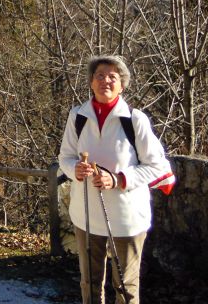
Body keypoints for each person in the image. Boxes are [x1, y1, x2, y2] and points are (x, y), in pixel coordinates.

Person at [58, 55, 174, 304]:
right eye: (100, 75)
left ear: (122, 85)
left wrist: (118, 179)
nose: (105, 81)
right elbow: (65, 157)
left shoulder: (135, 120)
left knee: (126, 286)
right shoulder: (77, 117)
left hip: (126, 219)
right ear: (91, 82)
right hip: (86, 217)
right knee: (89, 283)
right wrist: (74, 170)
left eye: (113, 76)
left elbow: (157, 166)